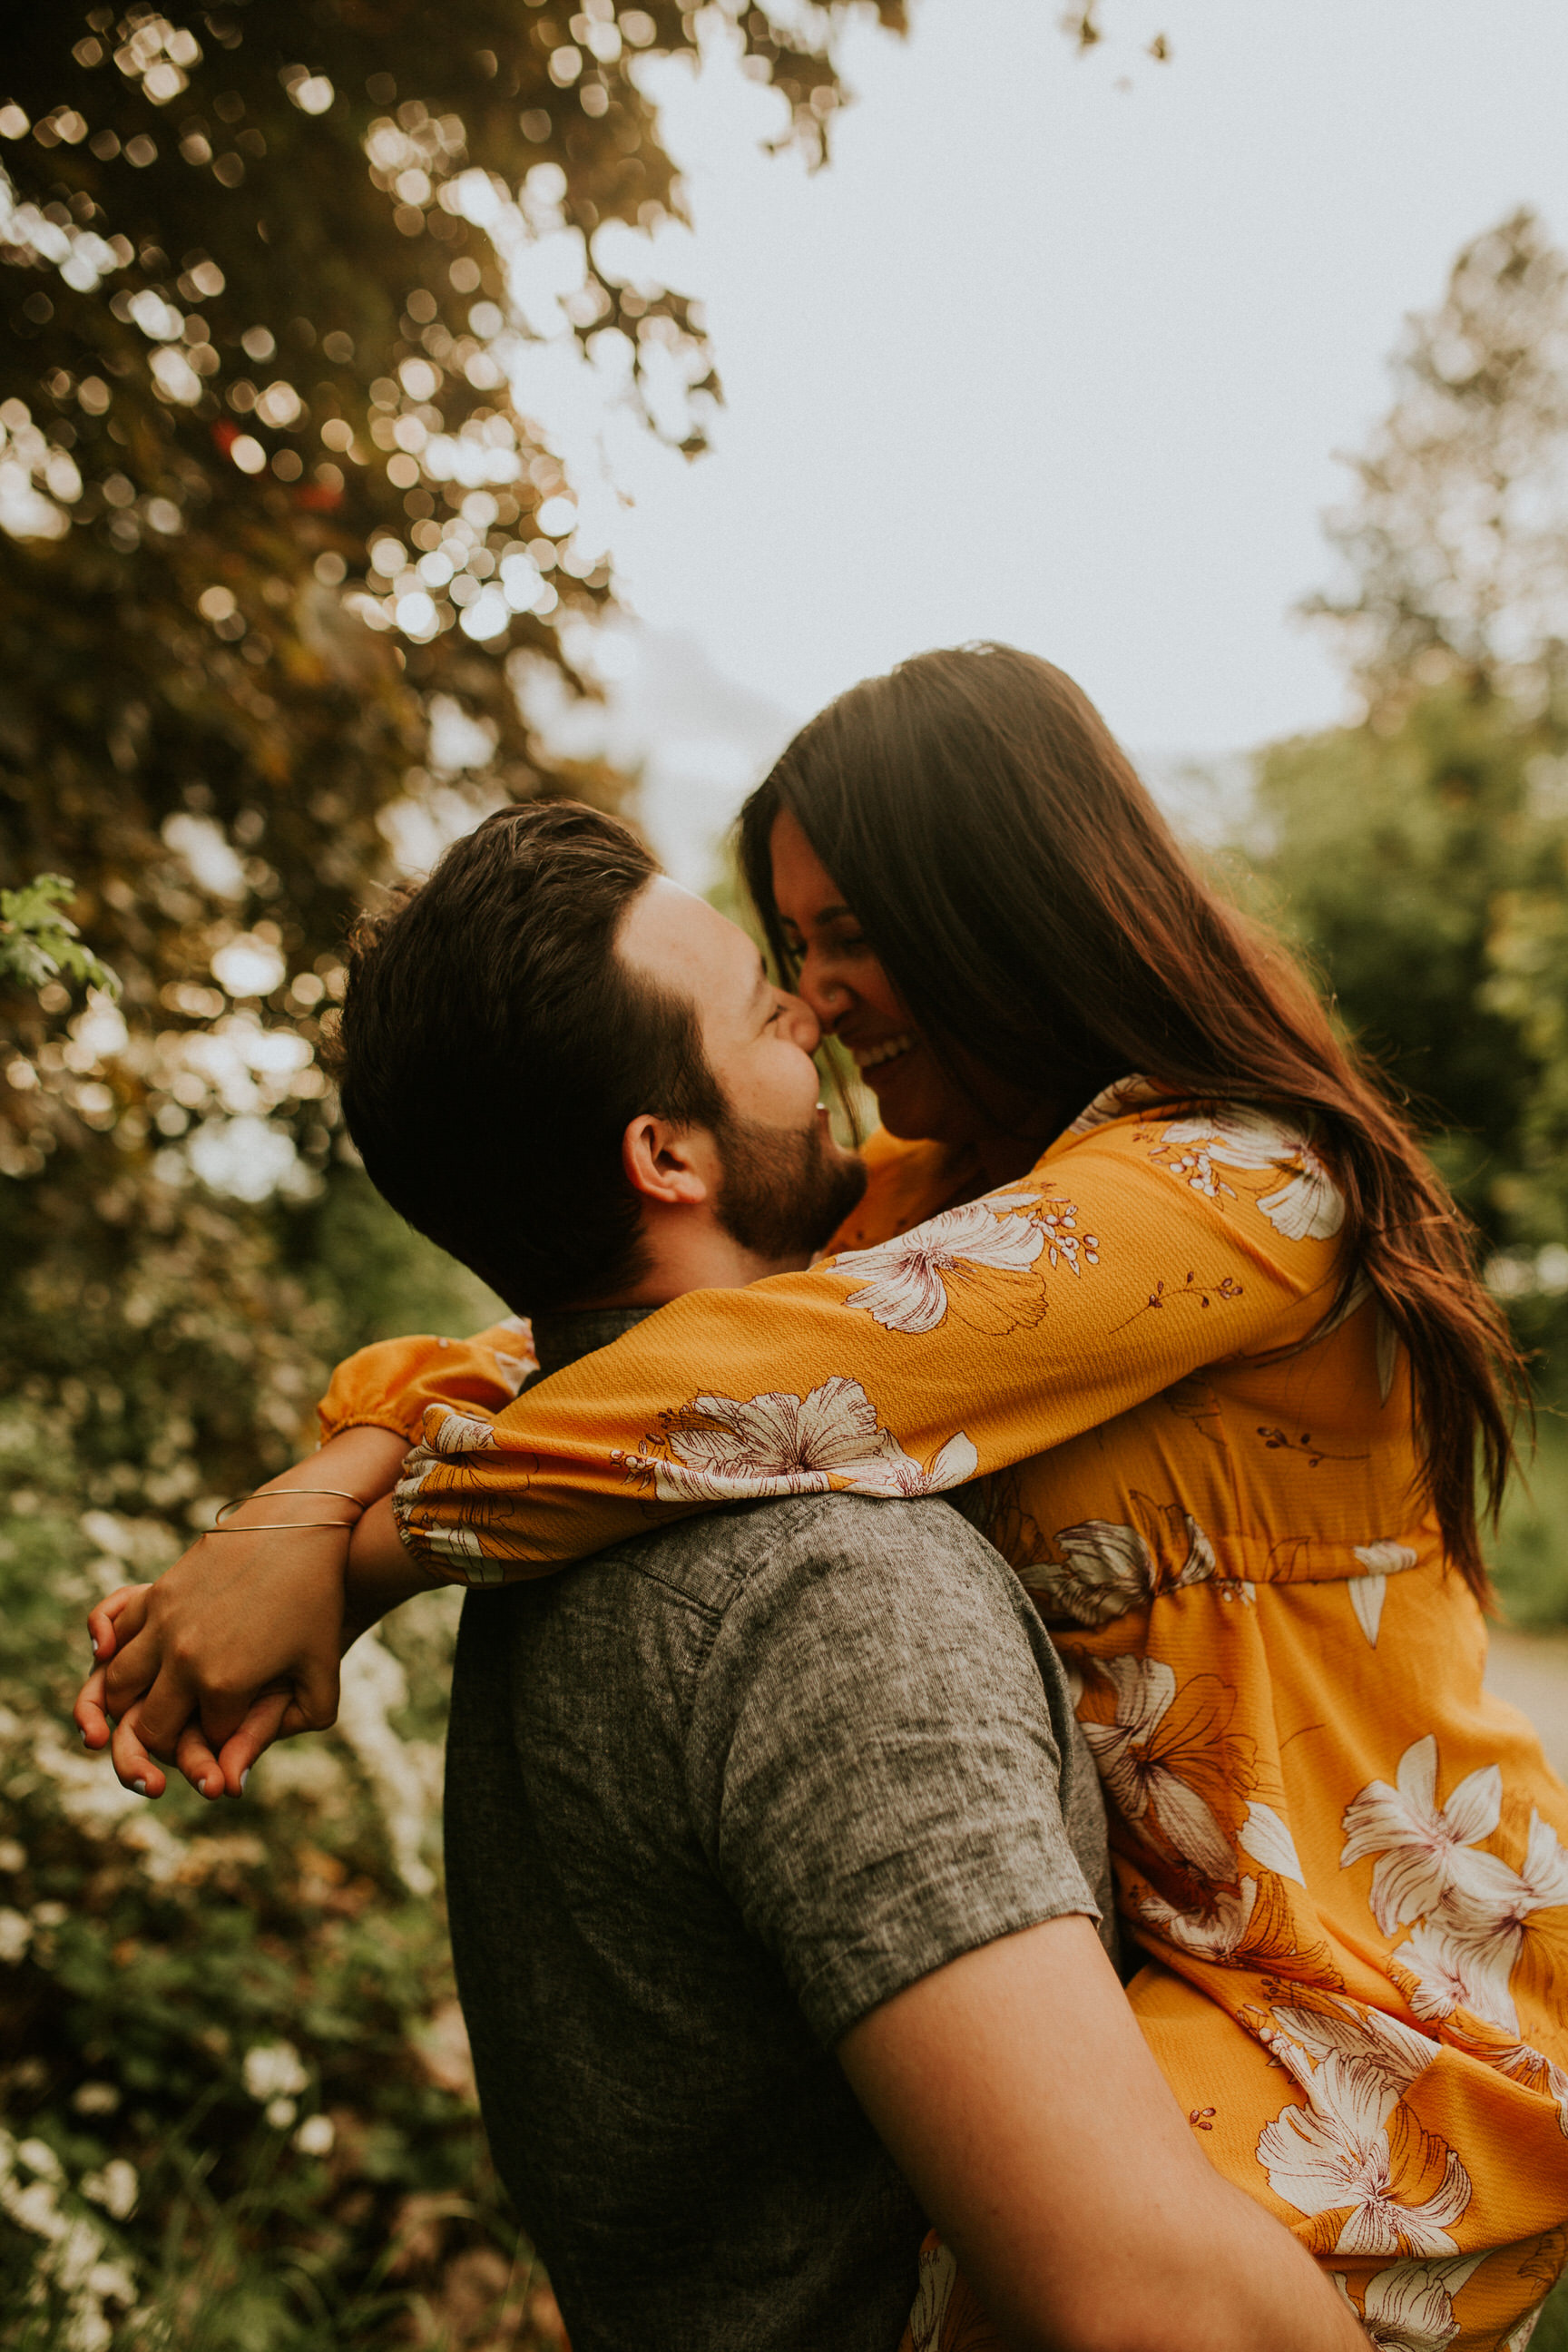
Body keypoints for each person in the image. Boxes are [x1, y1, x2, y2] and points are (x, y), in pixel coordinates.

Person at [84, 643, 1568, 2347]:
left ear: (1007, 903)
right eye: (788, 955)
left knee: (1068, 2294)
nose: (818, 996)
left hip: (1380, 2008)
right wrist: (320, 1487)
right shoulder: (941, 1208)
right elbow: (643, 1346)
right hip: (1199, 1984)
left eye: (849, 933)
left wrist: (366, 1559)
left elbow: (746, 1384)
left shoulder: (1236, 1185)